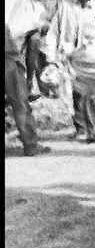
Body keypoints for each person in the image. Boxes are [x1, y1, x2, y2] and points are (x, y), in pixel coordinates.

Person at [45, 0, 95, 142]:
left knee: (89, 94)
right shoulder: (65, 8)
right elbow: (54, 32)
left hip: (90, 54)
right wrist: (51, 57)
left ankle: (91, 129)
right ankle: (81, 128)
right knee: (76, 94)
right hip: (71, 56)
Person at [6, 23, 46, 155]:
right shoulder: (30, 17)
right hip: (9, 63)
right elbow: (34, 45)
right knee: (20, 106)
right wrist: (30, 77)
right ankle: (31, 145)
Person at [25, 0, 59, 98]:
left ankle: (51, 87)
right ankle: (30, 82)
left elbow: (59, 16)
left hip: (53, 31)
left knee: (51, 57)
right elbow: (30, 15)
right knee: (33, 42)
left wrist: (50, 26)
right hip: (36, 30)